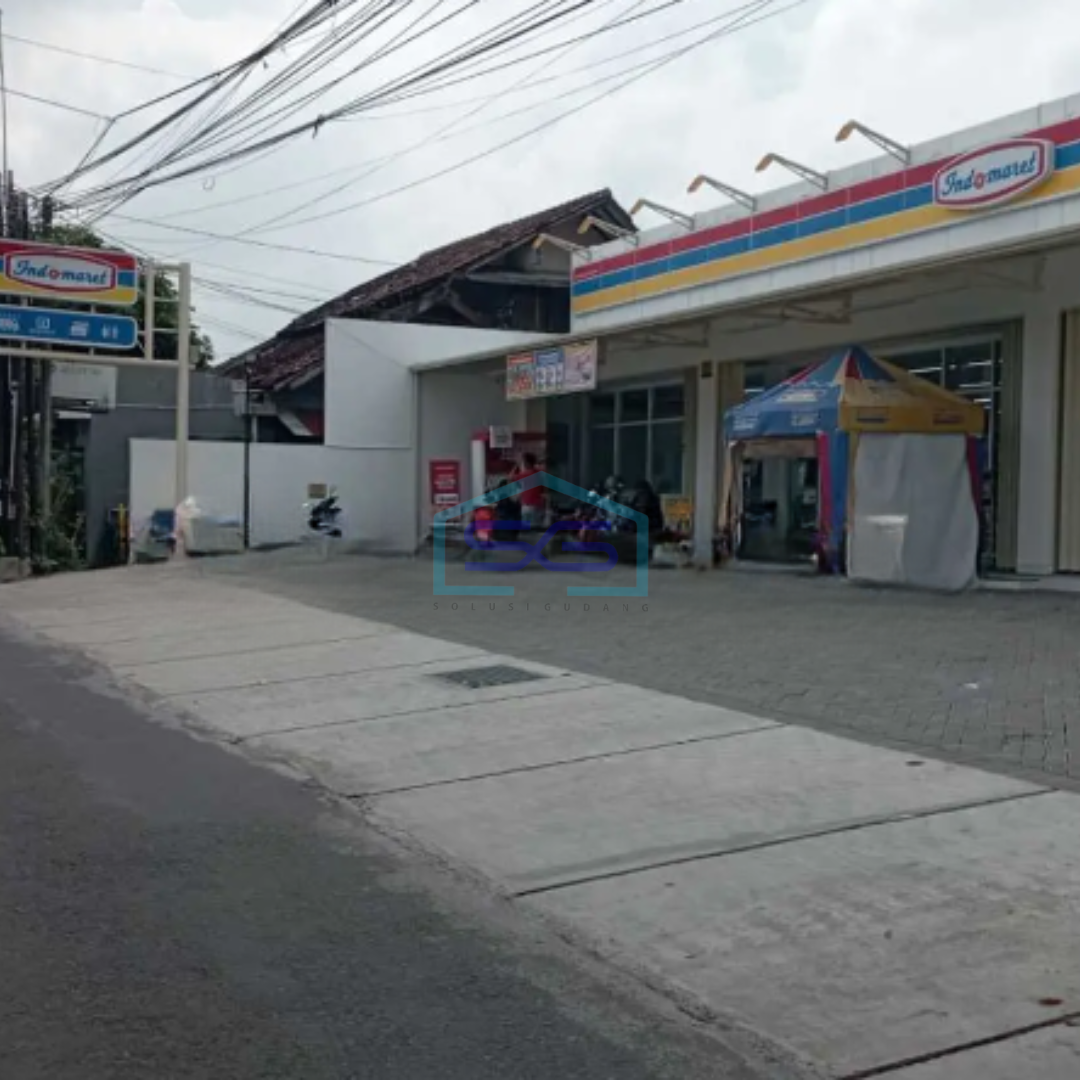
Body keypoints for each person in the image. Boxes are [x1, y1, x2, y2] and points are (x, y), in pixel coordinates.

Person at [510, 451, 545, 531]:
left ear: (526, 463)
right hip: (538, 505)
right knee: (537, 529)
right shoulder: (539, 473)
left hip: (527, 506)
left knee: (526, 531)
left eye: (523, 462)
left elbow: (510, 477)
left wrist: (516, 465)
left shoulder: (525, 474)